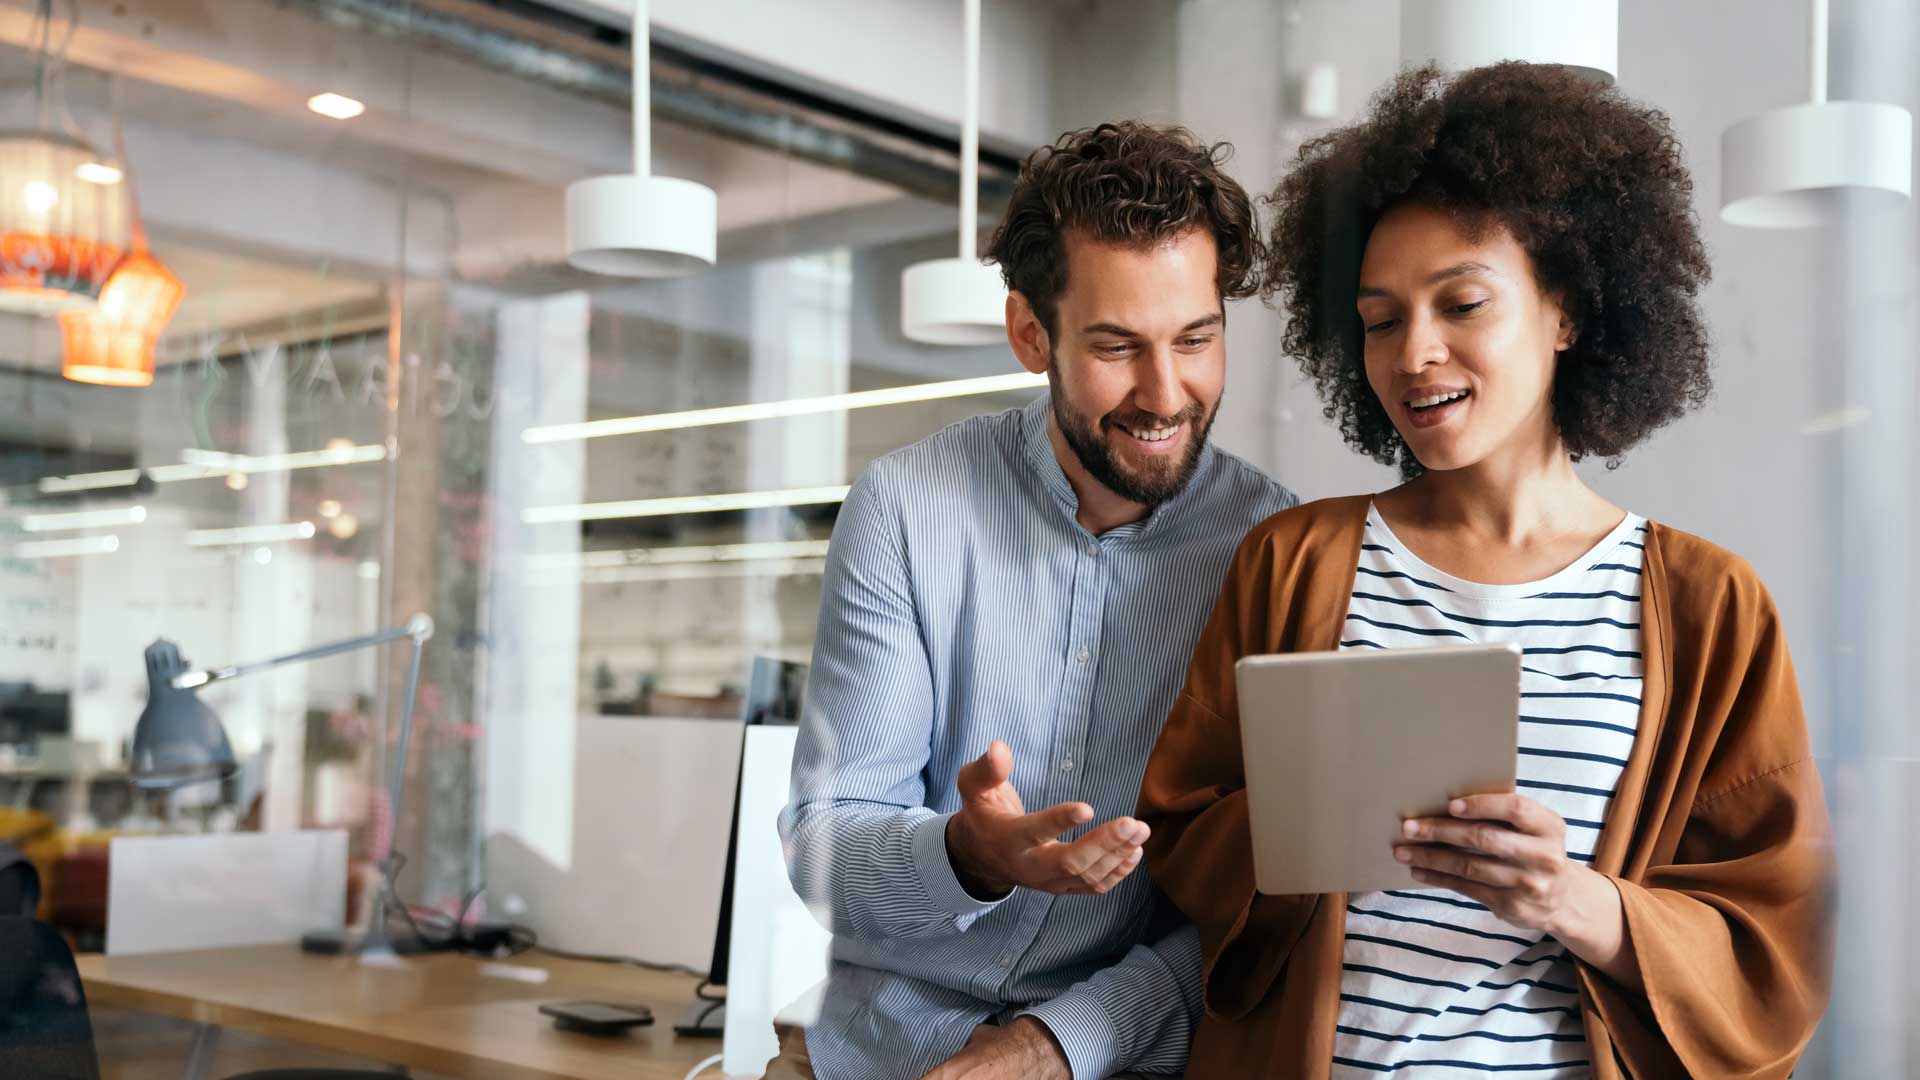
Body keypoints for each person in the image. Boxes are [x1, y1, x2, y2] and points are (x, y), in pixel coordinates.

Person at [1137, 63, 1833, 1079]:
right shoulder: (1296, 561)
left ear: (1568, 312)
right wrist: (1314, 818)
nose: (1414, 352)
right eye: (1379, 320)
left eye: (1461, 303)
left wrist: (1571, 898)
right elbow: (1182, 830)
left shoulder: (1709, 606)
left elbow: (1779, 934)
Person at [775, 121, 1297, 1080]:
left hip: (1118, 1058)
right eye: (1115, 347)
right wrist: (968, 857)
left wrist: (1056, 1045)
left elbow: (1257, 905)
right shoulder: (906, 507)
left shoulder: (1274, 550)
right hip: (874, 1055)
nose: (1165, 391)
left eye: (1196, 339)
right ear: (1030, 334)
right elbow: (821, 848)